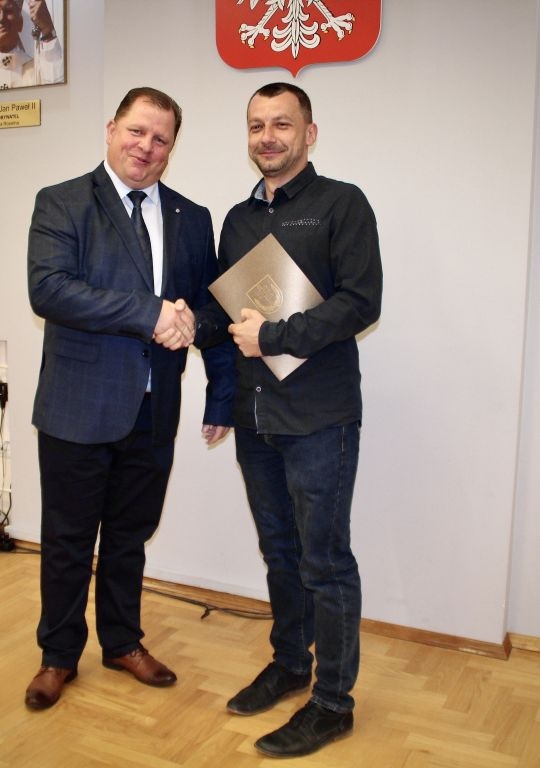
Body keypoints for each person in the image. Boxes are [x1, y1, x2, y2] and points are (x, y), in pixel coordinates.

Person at [25, 86, 235, 710]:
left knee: (128, 537)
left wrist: (219, 391)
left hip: (153, 410)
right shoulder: (62, 201)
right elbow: (50, 290)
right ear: (111, 128)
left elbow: (213, 311)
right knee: (67, 542)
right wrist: (151, 314)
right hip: (76, 407)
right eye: (137, 131)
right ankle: (58, 655)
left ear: (172, 148)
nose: (146, 146)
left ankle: (121, 642)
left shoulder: (192, 217)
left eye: (161, 138)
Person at [219, 83, 382, 757]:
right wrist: (219, 399)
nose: (268, 136)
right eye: (257, 125)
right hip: (256, 416)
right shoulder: (236, 220)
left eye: (282, 124)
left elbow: (360, 302)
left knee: (325, 561)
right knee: (280, 552)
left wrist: (276, 336)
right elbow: (228, 321)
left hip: (320, 419)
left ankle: (333, 703)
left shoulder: (343, 203)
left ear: (309, 133)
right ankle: (290, 663)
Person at [0, 0, 63, 89]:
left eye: (8, 11)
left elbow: (57, 90)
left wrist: (47, 30)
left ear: (20, 23)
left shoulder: (39, 70)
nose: (1, 18)